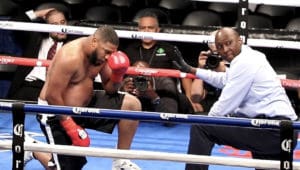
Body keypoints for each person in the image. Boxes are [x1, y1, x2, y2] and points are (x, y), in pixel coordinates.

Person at [171, 27, 298, 170]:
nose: (225, 49)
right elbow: (226, 79)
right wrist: (191, 70)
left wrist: (207, 121)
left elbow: (225, 104)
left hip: (271, 130)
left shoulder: (245, 62)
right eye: (220, 46)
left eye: (228, 43)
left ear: (240, 41)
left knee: (201, 126)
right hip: (278, 129)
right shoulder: (250, 55)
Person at [37, 25, 141, 170]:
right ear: (94, 42)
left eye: (112, 53)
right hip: (56, 113)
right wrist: (70, 126)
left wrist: (118, 75)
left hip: (85, 106)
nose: (108, 57)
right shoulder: (70, 56)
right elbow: (51, 95)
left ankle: (121, 162)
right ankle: (35, 149)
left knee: (131, 105)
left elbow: (109, 89)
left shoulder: (101, 56)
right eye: (107, 52)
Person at [123, 9, 193, 119]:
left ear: (157, 30)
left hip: (164, 93)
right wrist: (123, 87)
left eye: (150, 28)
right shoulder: (129, 50)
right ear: (138, 30)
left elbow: (184, 73)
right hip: (136, 92)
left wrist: (190, 98)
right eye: (143, 28)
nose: (146, 31)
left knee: (177, 105)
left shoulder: (169, 49)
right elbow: (121, 75)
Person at [7, 8, 70, 101]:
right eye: (55, 25)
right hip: (29, 85)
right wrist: (39, 13)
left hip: (54, 90)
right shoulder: (35, 37)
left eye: (63, 22)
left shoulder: (74, 42)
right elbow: (15, 22)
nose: (61, 28)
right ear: (47, 27)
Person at [121, 61, 193, 116]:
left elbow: (169, 118)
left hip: (181, 123)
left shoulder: (165, 83)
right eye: (137, 78)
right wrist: (123, 94)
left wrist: (154, 97)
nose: (141, 82)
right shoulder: (128, 83)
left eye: (144, 77)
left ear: (151, 76)